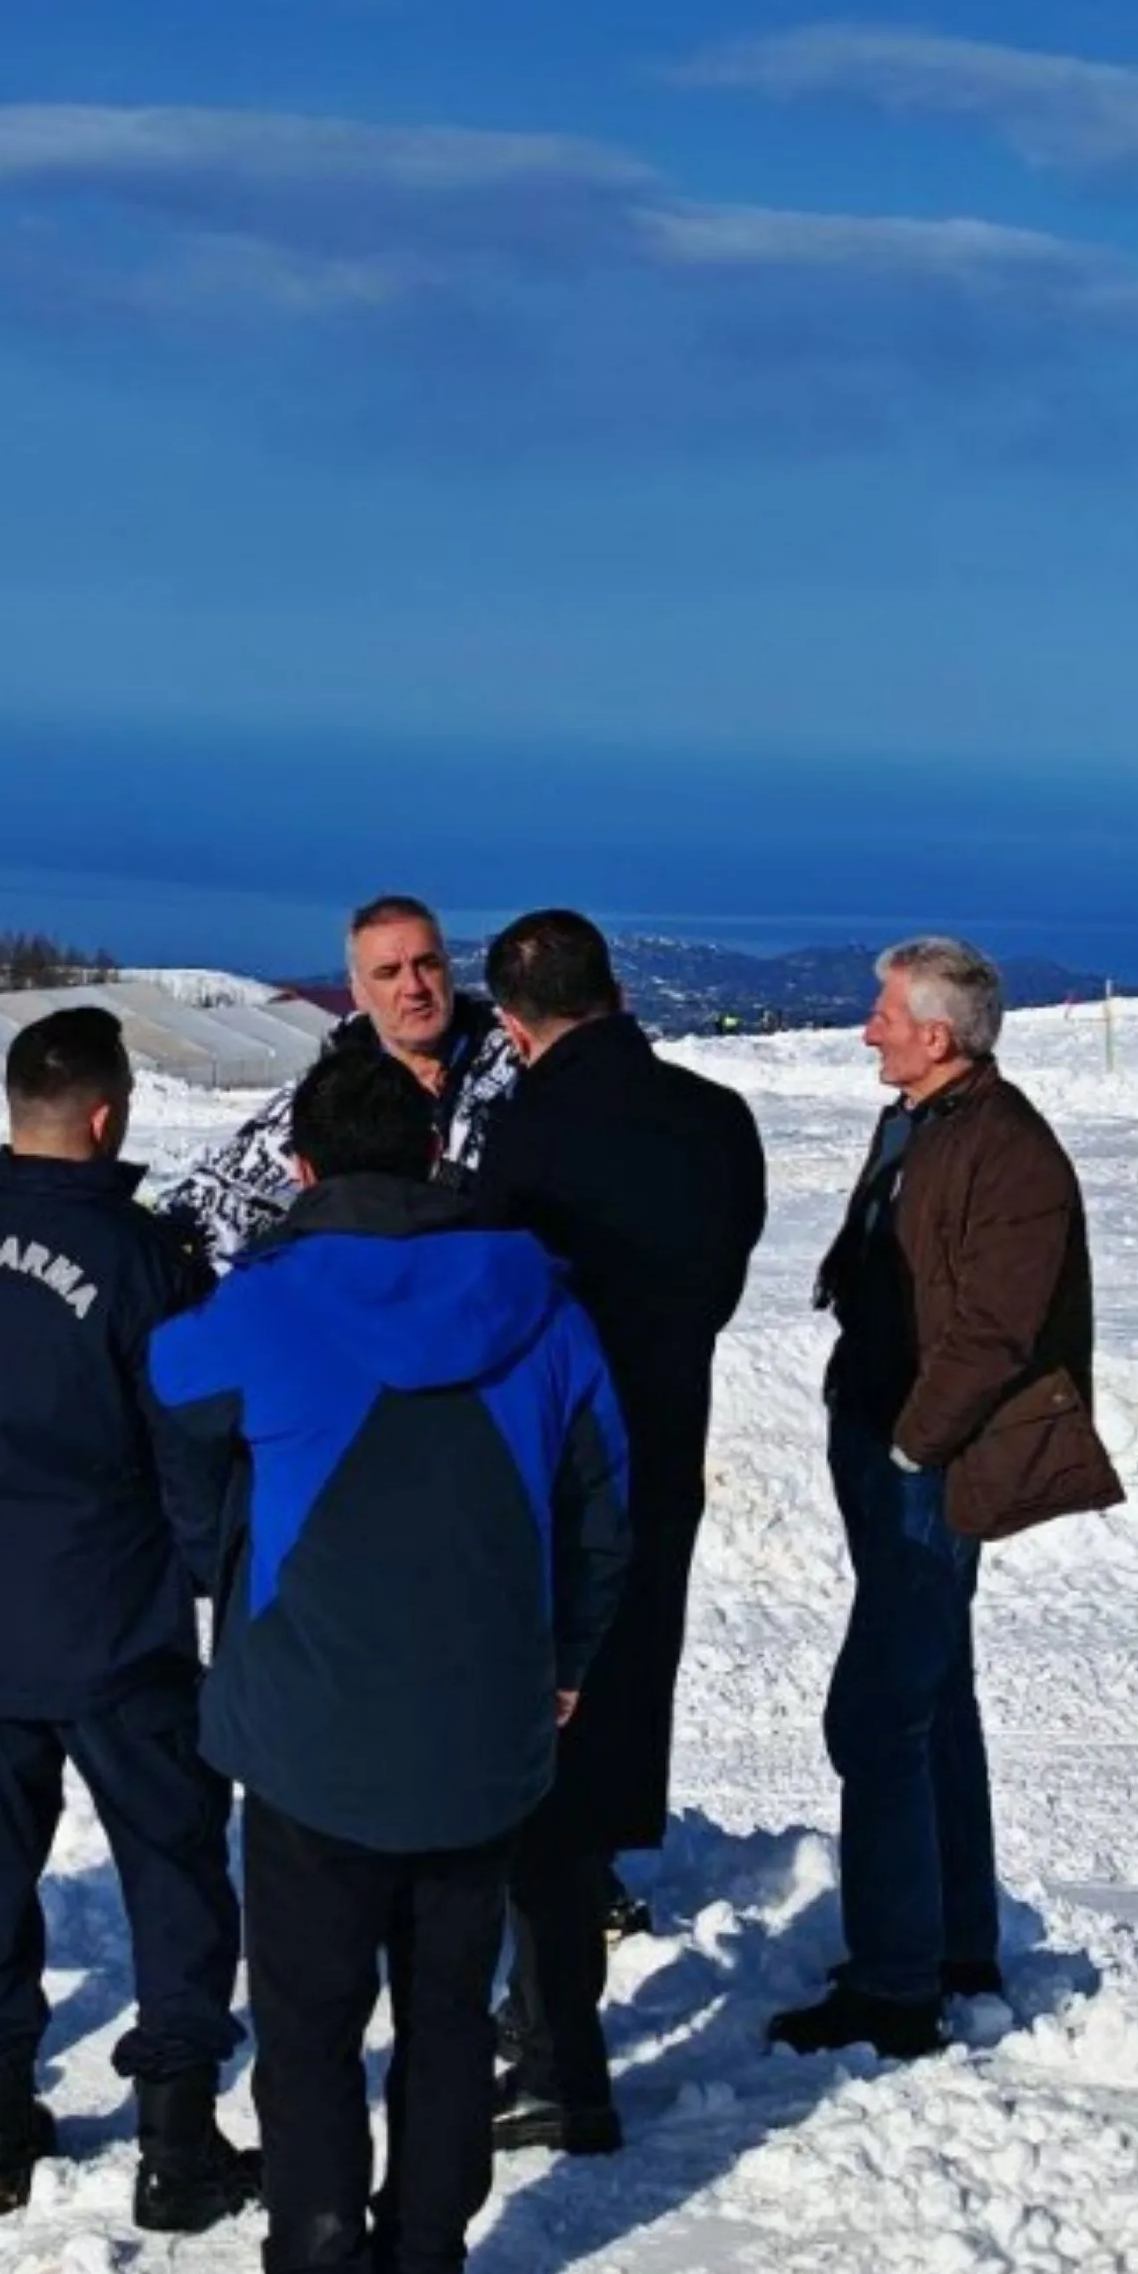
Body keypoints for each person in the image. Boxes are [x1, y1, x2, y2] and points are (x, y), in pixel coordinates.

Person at [150, 1052, 630, 2274]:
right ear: (434, 1150)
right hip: (484, 1731)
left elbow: (166, 1386)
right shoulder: (544, 1302)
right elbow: (604, 1512)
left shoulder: (267, 1305)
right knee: (441, 2018)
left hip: (307, 1727)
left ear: (299, 1168)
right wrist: (570, 1665)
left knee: (307, 2032)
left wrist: (220, 1559)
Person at [0, 1007, 259, 2231]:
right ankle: (175, 2138)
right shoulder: (146, 1259)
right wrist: (209, 1582)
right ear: (109, 1113)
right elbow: (192, 1443)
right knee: (173, 1868)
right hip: (117, 1628)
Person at [770, 938, 1125, 2064]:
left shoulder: (1007, 1150)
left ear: (937, 1033)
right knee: (934, 1696)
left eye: (884, 1014)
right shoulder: (925, 1119)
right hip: (884, 1448)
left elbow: (995, 1330)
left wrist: (917, 1445)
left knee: (879, 1714)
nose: (867, 1027)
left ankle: (894, 1986)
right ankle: (951, 1944)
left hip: (924, 1464)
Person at [468, 909, 766, 2156]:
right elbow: (723, 1282)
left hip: (552, 1476)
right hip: (666, 1453)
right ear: (617, 991)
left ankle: (554, 2053)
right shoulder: (715, 1121)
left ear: (511, 1020)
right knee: (618, 1714)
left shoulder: (523, 1140)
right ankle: (557, 2007)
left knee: (540, 1754)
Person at [161, 894, 522, 1264]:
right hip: (357, 1296)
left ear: (448, 970)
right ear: (359, 993)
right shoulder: (327, 1095)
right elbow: (215, 1207)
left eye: (427, 964)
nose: (414, 987)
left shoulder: (521, 1072)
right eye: (388, 972)